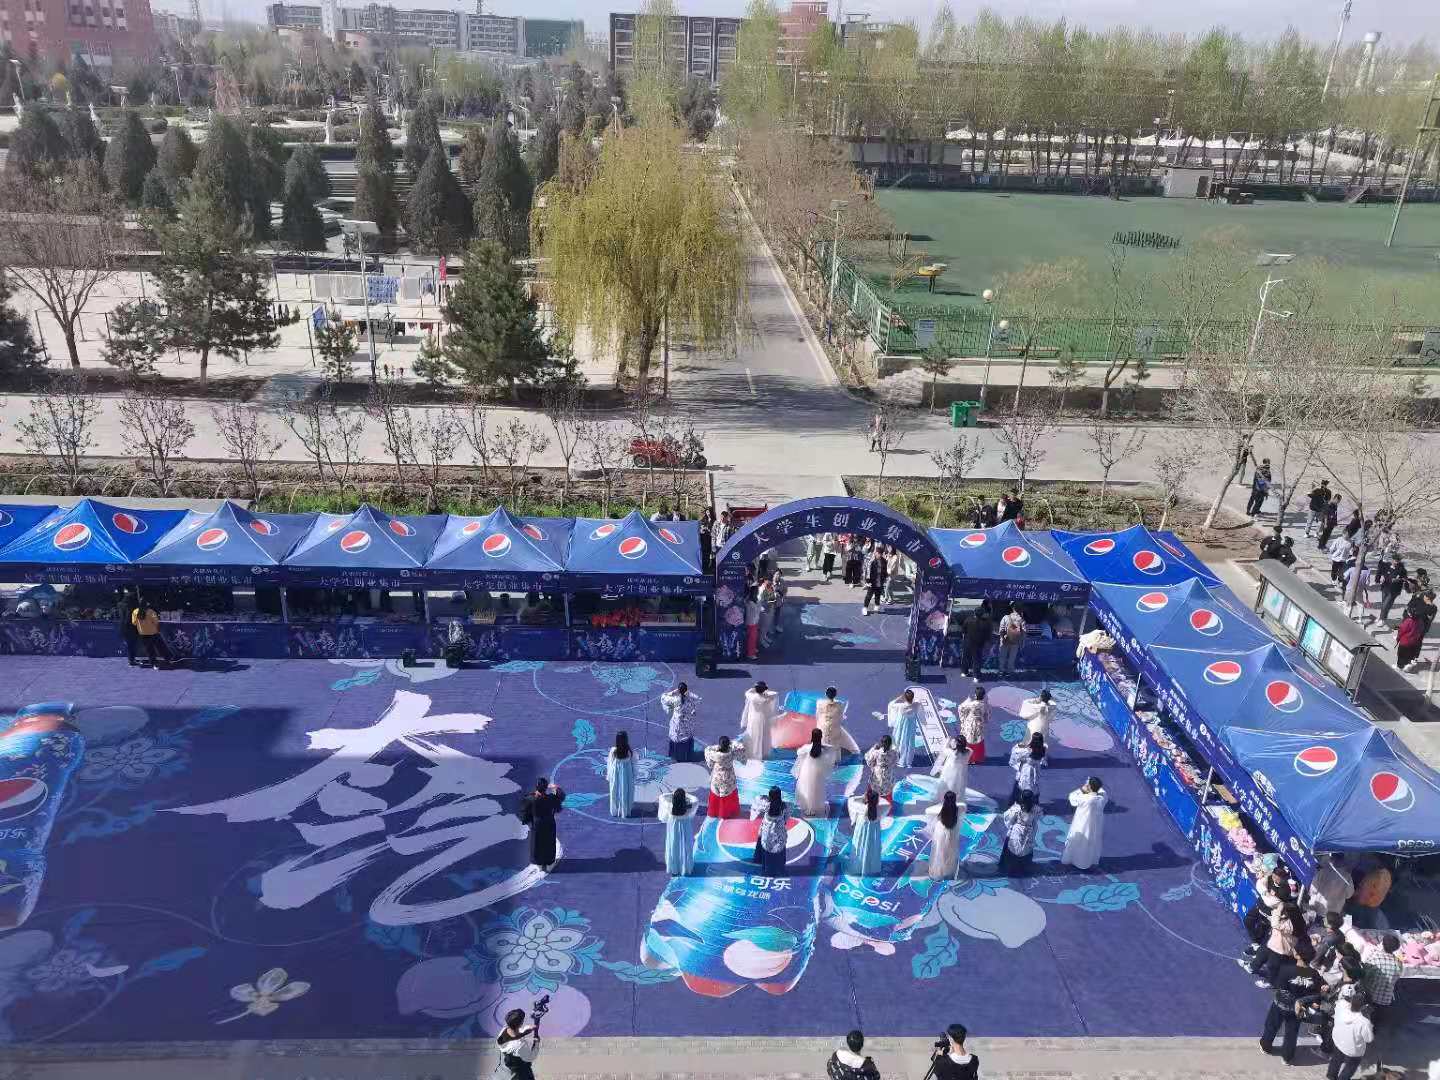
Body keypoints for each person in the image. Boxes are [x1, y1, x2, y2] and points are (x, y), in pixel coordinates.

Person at [1258, 941, 1324, 1064]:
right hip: (1298, 1009)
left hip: (1280, 1005)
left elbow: (1278, 986)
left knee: (1271, 1026)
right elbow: (1316, 992)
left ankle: (1266, 1046)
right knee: (1291, 1033)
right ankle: (1287, 1057)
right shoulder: (1314, 974)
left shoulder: (1286, 970)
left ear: (1298, 955)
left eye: (1295, 950)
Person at [1060, 777, 1107, 870]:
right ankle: (1086, 861)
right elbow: (1102, 791)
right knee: (1089, 843)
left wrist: (1082, 790)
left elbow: (1072, 797)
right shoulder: (1102, 798)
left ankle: (1076, 861)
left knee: (1078, 841)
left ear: (1089, 787)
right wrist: (1091, 785)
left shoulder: (1085, 798)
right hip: (1094, 827)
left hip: (1081, 825)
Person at [1326, 990, 1373, 1080]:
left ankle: (1331, 1075)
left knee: (1336, 1059)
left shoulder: (1341, 1006)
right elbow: (1368, 1039)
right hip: (1353, 1050)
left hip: (1338, 1041)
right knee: (1351, 1066)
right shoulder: (1364, 1022)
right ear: (1364, 1006)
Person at [521, 778, 565, 871]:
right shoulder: (551, 798)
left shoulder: (530, 798)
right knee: (549, 842)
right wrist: (555, 787)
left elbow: (524, 812)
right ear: (546, 788)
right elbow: (561, 797)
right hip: (549, 823)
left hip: (537, 823)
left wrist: (527, 820)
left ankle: (538, 862)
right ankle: (548, 861)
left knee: (537, 843)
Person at [794, 728, 839, 816]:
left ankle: (808, 807)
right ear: (821, 737)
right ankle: (814, 807)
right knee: (816, 789)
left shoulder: (807, 748)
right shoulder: (823, 750)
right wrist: (824, 746)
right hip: (818, 773)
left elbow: (798, 752)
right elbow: (832, 749)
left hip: (806, 772)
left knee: (806, 788)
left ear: (812, 737)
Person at [999, 790, 1041, 876]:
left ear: (1022, 798)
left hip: (1017, 830)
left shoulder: (1016, 809)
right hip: (1029, 831)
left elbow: (1009, 821)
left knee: (1010, 844)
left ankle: (1007, 866)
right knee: (1027, 847)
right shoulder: (1036, 809)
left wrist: (1011, 827)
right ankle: (1024, 867)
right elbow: (1035, 822)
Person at [658, 787, 698, 876]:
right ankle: (685, 866)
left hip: (673, 826)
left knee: (674, 845)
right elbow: (695, 799)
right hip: (685, 826)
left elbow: (662, 797)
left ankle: (674, 867)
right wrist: (687, 795)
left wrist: (672, 794)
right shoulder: (689, 806)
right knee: (685, 845)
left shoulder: (669, 806)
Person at [704, 735, 745, 819]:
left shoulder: (714, 755)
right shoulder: (732, 753)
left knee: (716, 793)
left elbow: (707, 750)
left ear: (720, 745)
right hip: (728, 777)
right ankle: (726, 813)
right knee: (727, 795)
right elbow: (740, 747)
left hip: (717, 778)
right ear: (728, 745)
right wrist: (731, 744)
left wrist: (717, 747)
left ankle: (715, 812)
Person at [925, 790, 963, 881]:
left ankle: (937, 872)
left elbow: (929, 813)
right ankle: (948, 870)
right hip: (952, 831)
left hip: (941, 831)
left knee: (939, 852)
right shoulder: (958, 809)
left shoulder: (940, 809)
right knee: (950, 851)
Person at [750, 786, 789, 876]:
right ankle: (779, 868)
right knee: (779, 846)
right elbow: (786, 818)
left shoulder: (766, 805)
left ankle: (762, 863)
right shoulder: (784, 806)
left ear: (770, 796)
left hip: (767, 834)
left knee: (764, 840)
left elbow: (757, 801)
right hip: (779, 835)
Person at [494, 1007, 541, 1080]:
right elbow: (531, 1057)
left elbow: (515, 1034)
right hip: (520, 1075)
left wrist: (525, 1031)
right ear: (520, 1024)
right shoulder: (519, 1045)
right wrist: (536, 1043)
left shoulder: (503, 1032)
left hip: (507, 1071)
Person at [846, 788, 884, 875]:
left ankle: (857, 868)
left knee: (860, 848)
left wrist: (862, 797)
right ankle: (870, 868)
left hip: (861, 834)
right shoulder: (879, 810)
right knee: (871, 849)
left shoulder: (861, 808)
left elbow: (851, 800)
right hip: (873, 838)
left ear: (866, 798)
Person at [661, 682, 700, 762]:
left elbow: (663, 697)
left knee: (676, 737)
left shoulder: (675, 700)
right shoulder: (690, 699)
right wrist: (688, 694)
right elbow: (698, 699)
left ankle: (675, 756)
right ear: (686, 690)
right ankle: (687, 755)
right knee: (687, 736)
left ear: (678, 690)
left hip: (677, 723)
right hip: (687, 721)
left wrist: (673, 692)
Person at [740, 681, 778, 761]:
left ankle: (753, 754)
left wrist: (753, 689)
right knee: (763, 735)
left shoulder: (752, 697)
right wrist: (766, 692)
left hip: (753, 719)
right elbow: (775, 693)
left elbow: (747, 692)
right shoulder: (767, 698)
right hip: (763, 719)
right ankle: (763, 753)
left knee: (753, 736)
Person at [817, 686, 860, 754]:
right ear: (836, 694)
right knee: (853, 749)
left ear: (825, 694)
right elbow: (840, 717)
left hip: (823, 728)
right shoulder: (839, 704)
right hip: (834, 729)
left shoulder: (820, 703)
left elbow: (818, 715)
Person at [1008, 732, 1046, 806]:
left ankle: (1018, 804)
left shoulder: (1027, 751)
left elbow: (1014, 758)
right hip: (1035, 772)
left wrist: (1018, 746)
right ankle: (1033, 805)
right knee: (1034, 789)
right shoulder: (1042, 749)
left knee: (1021, 788)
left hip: (1025, 771)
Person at [132, 601, 174, 668]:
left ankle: (154, 664)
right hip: (153, 633)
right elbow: (156, 621)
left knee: (150, 650)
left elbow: (134, 623)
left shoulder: (135, 612)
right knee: (161, 647)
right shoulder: (151, 612)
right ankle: (168, 659)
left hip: (143, 633)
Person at [606, 732, 636, 818]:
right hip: (627, 774)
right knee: (626, 790)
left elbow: (610, 763)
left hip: (616, 774)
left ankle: (615, 810)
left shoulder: (613, 751)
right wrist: (634, 775)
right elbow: (634, 764)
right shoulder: (630, 752)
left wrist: (609, 776)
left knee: (615, 790)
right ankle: (625, 810)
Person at [888, 689, 920, 768]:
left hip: (901, 726)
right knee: (909, 742)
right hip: (911, 726)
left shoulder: (900, 706)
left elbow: (891, 704)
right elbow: (918, 701)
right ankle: (907, 761)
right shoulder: (916, 705)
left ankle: (899, 759)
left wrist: (899, 698)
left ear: (905, 698)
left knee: (899, 740)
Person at [931, 735, 971, 800]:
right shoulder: (968, 752)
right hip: (960, 775)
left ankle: (941, 799)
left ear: (956, 744)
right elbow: (966, 749)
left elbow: (944, 749)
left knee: (944, 787)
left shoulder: (952, 753)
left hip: (948, 774)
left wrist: (947, 741)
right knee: (958, 788)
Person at [958, 686, 989, 764]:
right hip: (979, 724)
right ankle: (977, 758)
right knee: (978, 741)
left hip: (970, 723)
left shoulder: (971, 704)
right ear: (983, 696)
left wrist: (967, 701)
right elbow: (987, 715)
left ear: (975, 695)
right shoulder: (985, 705)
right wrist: (984, 720)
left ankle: (968, 759)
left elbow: (961, 708)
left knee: (968, 740)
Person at [960, 604, 993, 678]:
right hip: (979, 644)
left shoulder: (968, 620)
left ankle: (964, 672)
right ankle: (976, 676)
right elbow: (988, 635)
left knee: (966, 657)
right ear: (982, 614)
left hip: (968, 642)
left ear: (974, 612)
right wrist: (987, 643)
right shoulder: (986, 622)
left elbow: (963, 631)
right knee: (977, 660)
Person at [864, 735, 898, 803]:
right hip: (888, 777)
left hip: (877, 776)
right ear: (890, 744)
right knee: (888, 791)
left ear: (881, 743)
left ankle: (869, 802)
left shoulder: (876, 753)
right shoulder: (894, 753)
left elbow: (869, 762)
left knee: (872, 785)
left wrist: (873, 748)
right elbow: (895, 761)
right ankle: (888, 806)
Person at [1376, 556, 1409, 624]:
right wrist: (1381, 577)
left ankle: (1382, 619)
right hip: (1385, 587)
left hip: (1393, 590)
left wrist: (1398, 579)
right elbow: (1381, 571)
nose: (1395, 562)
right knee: (1384, 604)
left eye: (1397, 561)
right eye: (1395, 560)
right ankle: (1382, 617)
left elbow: (1405, 578)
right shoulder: (1387, 566)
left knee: (1386, 604)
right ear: (1392, 560)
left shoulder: (1401, 569)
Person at [997, 602, 1026, 675]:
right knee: (1012, 658)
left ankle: (1001, 670)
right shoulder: (1021, 619)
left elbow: (1001, 630)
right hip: (1015, 642)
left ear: (1012, 608)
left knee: (1002, 656)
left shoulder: (1005, 617)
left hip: (1005, 640)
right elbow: (1024, 632)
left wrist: (1003, 638)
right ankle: (1009, 671)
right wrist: (1022, 642)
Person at [862, 549, 887, 615]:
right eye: (877, 553)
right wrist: (867, 581)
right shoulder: (872, 561)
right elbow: (867, 571)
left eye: (880, 554)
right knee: (869, 595)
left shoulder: (884, 561)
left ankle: (876, 605)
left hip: (879, 580)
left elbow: (885, 570)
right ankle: (865, 608)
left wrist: (884, 578)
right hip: (872, 580)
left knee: (878, 594)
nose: (878, 555)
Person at [118, 592, 141, 666]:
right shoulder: (130, 606)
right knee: (132, 644)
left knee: (130, 645)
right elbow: (128, 616)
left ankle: (131, 659)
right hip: (130, 627)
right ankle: (131, 660)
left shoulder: (120, 604)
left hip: (124, 627)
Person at [757, 576, 778, 649]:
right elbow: (760, 601)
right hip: (764, 610)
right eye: (768, 580)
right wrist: (768, 602)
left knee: (767, 625)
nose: (770, 582)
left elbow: (772, 597)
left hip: (770, 608)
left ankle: (764, 637)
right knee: (763, 626)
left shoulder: (770, 587)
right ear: (765, 581)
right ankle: (761, 640)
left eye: (771, 580)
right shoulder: (762, 589)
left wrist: (774, 598)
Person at [744, 588, 761, 661]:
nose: (757, 593)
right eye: (757, 592)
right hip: (751, 623)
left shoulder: (754, 600)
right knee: (752, 638)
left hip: (755, 621)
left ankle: (752, 649)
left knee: (754, 638)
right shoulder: (749, 602)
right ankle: (750, 654)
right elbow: (748, 613)